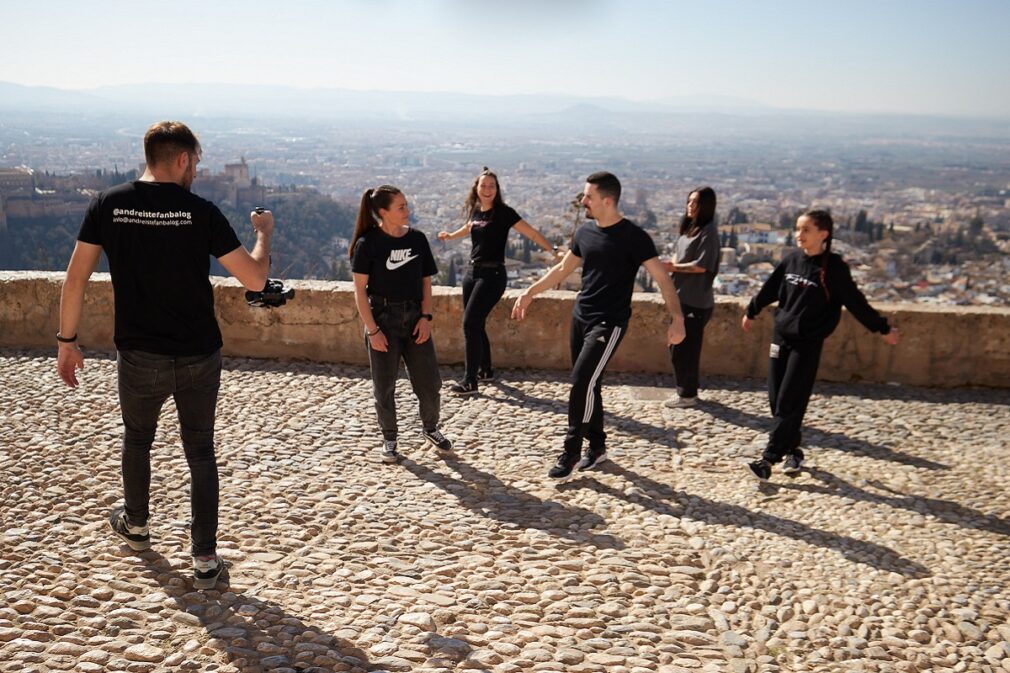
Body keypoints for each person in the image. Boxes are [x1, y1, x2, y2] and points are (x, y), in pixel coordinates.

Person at [56, 120, 275, 589]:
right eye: (195, 161)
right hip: (198, 351)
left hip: (139, 352)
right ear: (180, 159)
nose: (196, 169)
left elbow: (74, 279)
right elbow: (255, 280)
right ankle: (204, 559)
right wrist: (263, 234)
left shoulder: (108, 204)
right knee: (200, 450)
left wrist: (67, 341)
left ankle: (135, 527)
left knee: (137, 440)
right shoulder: (201, 211)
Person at [512, 172, 686, 479]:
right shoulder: (585, 232)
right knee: (590, 382)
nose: (583, 201)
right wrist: (530, 292)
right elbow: (562, 269)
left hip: (610, 322)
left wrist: (678, 318)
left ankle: (571, 452)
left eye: (588, 197)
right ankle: (598, 447)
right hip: (581, 316)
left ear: (607, 200)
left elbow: (662, 279)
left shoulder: (635, 237)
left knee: (582, 381)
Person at [742, 209, 900, 481]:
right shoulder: (791, 260)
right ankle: (794, 451)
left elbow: (855, 301)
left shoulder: (833, 268)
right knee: (777, 400)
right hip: (781, 338)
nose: (798, 235)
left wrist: (882, 328)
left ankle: (768, 460)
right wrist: (752, 310)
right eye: (797, 229)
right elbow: (770, 288)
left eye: (805, 230)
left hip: (807, 343)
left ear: (823, 234)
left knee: (790, 400)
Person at [351, 184, 453, 463]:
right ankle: (389, 438)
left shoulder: (418, 239)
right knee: (384, 385)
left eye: (406, 205)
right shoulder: (368, 244)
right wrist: (373, 330)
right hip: (383, 319)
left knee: (430, 383)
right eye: (401, 207)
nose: (408, 211)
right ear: (383, 212)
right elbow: (360, 290)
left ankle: (431, 427)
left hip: (414, 318)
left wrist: (426, 317)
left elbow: (426, 283)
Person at [437, 167, 560, 396]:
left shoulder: (504, 212)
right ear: (476, 188)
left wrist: (552, 250)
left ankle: (470, 380)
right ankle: (485, 370)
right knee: (476, 322)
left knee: (469, 323)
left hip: (493, 275)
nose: (487, 189)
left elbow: (530, 233)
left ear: (497, 189)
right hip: (472, 273)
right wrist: (450, 236)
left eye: (491, 186)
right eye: (483, 185)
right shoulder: (476, 211)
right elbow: (469, 228)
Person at [663, 186, 720, 408]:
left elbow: (701, 266)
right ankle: (686, 391)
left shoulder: (709, 233)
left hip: (696, 301)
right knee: (677, 345)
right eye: (689, 201)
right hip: (681, 298)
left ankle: (687, 394)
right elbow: (680, 256)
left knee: (685, 349)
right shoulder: (689, 229)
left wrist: (673, 267)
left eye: (695, 202)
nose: (690, 206)